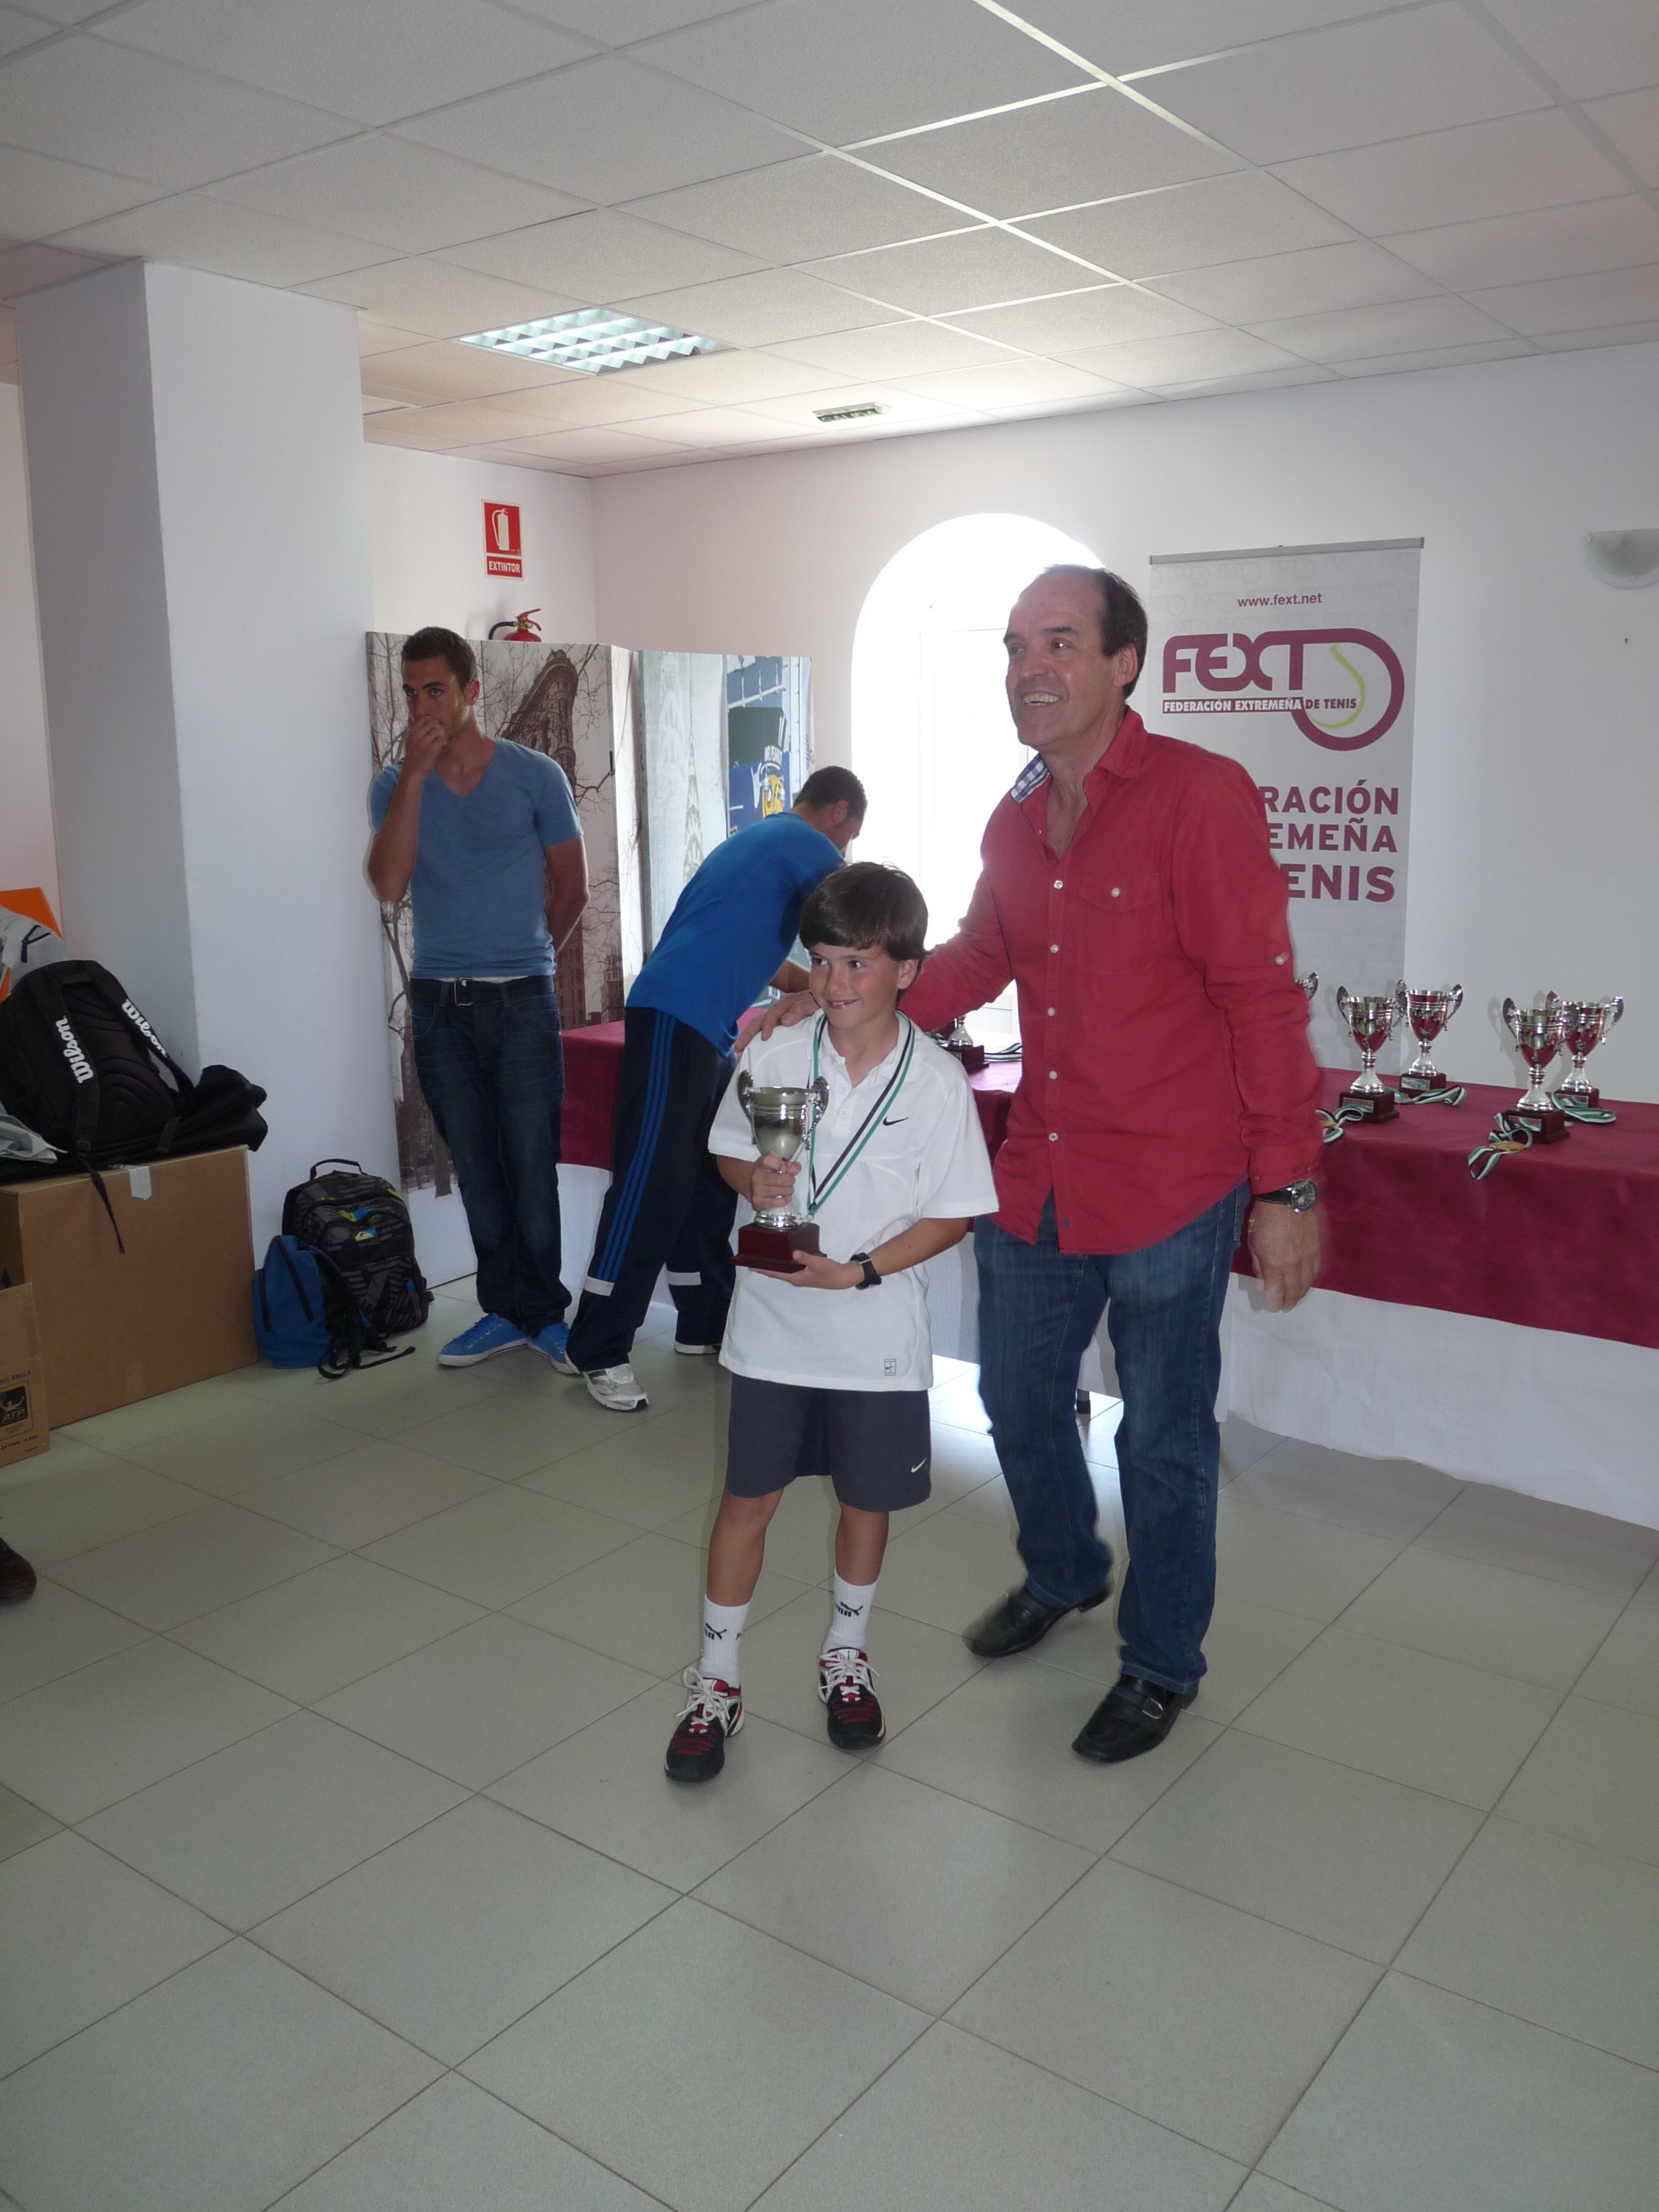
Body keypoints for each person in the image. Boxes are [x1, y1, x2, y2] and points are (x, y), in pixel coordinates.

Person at [768, 566, 1321, 1765]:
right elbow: (983, 954)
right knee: (1017, 1400)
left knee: (1161, 1441)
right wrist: (843, 998)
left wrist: (1286, 1186)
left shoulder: (1199, 797)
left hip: (1174, 1184)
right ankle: (1066, 1569)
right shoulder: (1015, 817)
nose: (1030, 668)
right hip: (1040, 1172)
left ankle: (1161, 1662)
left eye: (1060, 643)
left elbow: (1262, 997)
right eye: (1017, 646)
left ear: (1125, 664)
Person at [664, 862, 998, 1782]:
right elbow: (729, 1151)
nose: (835, 982)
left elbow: (955, 1214)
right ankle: (718, 1679)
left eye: (858, 963)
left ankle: (846, 1654)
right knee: (748, 1498)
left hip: (875, 1332)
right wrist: (756, 1179)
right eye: (820, 961)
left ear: (907, 970)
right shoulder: (776, 1053)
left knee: (866, 1501)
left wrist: (858, 1272)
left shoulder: (936, 1082)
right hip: (772, 1325)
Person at [560, 766, 865, 1412]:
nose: (844, 852)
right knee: (650, 1183)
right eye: (850, 838)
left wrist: (812, 987)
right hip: (677, 1013)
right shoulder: (804, 840)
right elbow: (856, 916)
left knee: (704, 1178)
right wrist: (874, 974)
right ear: (838, 812)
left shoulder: (760, 843)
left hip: (706, 1027)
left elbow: (760, 955)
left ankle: (702, 1320)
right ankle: (597, 1345)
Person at [367, 626, 588, 1370]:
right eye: (410, 693)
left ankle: (545, 1315)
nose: (420, 706)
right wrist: (413, 778)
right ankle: (502, 1312)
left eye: (435, 690)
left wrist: (530, 961)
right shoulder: (394, 786)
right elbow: (388, 884)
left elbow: (574, 888)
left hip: (522, 999)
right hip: (439, 1003)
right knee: (476, 1166)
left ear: (470, 690)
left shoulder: (534, 776)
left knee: (530, 1163)